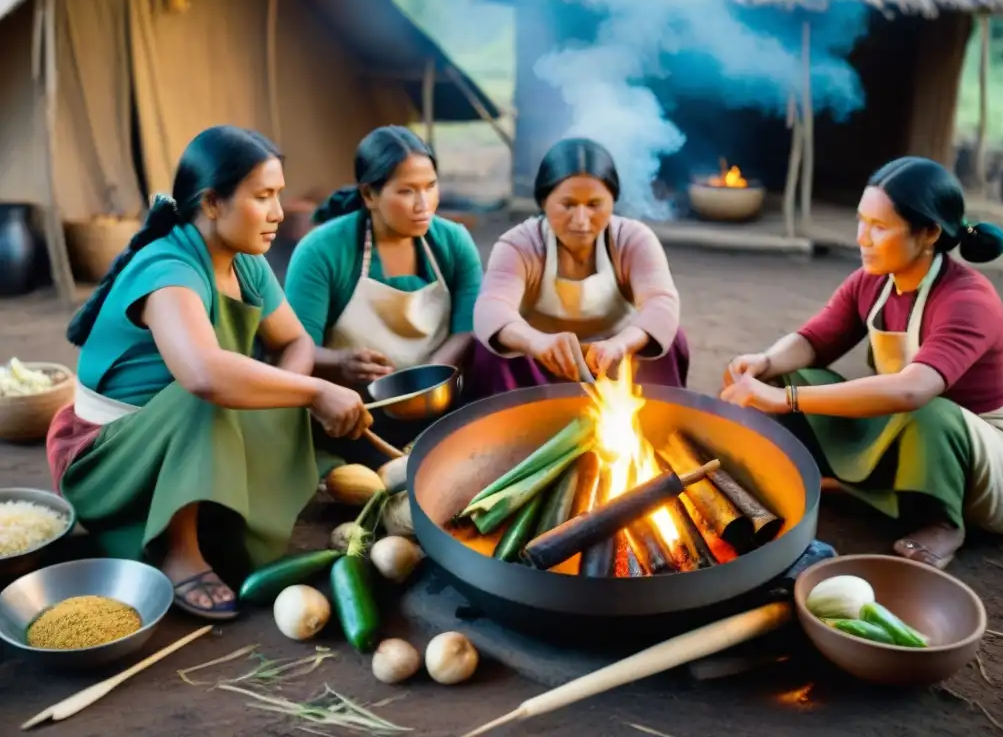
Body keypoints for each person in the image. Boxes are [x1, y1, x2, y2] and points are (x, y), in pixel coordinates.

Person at [46, 126, 372, 621]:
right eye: (263, 197)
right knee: (216, 389)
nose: (279, 213)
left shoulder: (245, 261)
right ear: (213, 203)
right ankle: (180, 552)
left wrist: (291, 398)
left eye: (279, 195)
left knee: (268, 386)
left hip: (188, 443)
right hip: (113, 458)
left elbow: (295, 341)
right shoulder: (168, 269)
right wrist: (311, 392)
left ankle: (216, 514)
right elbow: (203, 375)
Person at [721, 156, 1003, 570]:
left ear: (930, 232)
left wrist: (783, 398)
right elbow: (815, 340)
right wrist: (765, 363)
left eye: (880, 227)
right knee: (790, 373)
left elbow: (911, 389)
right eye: (862, 221)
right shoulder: (874, 280)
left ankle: (942, 523)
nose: (863, 237)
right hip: (911, 426)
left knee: (927, 411)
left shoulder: (968, 300)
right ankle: (816, 478)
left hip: (993, 459)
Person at [284, 126, 483, 470]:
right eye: (406, 191)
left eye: (430, 186)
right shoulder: (322, 251)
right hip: (357, 416)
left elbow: (467, 328)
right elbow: (294, 346)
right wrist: (340, 361)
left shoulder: (453, 242)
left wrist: (427, 376)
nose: (424, 205)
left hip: (436, 403)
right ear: (369, 194)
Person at [467, 138, 689, 397]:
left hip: (615, 363)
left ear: (612, 201)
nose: (581, 220)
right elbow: (491, 309)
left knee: (670, 338)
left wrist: (619, 344)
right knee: (490, 347)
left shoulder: (632, 239)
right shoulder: (519, 244)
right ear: (543, 202)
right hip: (540, 366)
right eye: (568, 205)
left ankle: (657, 424)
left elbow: (660, 303)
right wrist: (536, 342)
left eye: (594, 205)